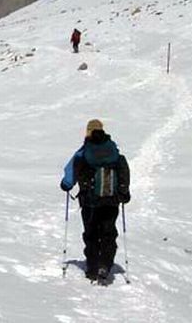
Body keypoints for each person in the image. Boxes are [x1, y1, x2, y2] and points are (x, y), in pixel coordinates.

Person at [60, 119, 130, 282]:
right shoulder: (113, 151)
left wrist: (66, 184)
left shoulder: (84, 152)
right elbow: (123, 169)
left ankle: (92, 268)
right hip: (111, 201)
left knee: (91, 234)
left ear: (88, 132)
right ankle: (105, 264)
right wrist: (123, 192)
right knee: (108, 233)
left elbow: (69, 177)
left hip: (89, 201)